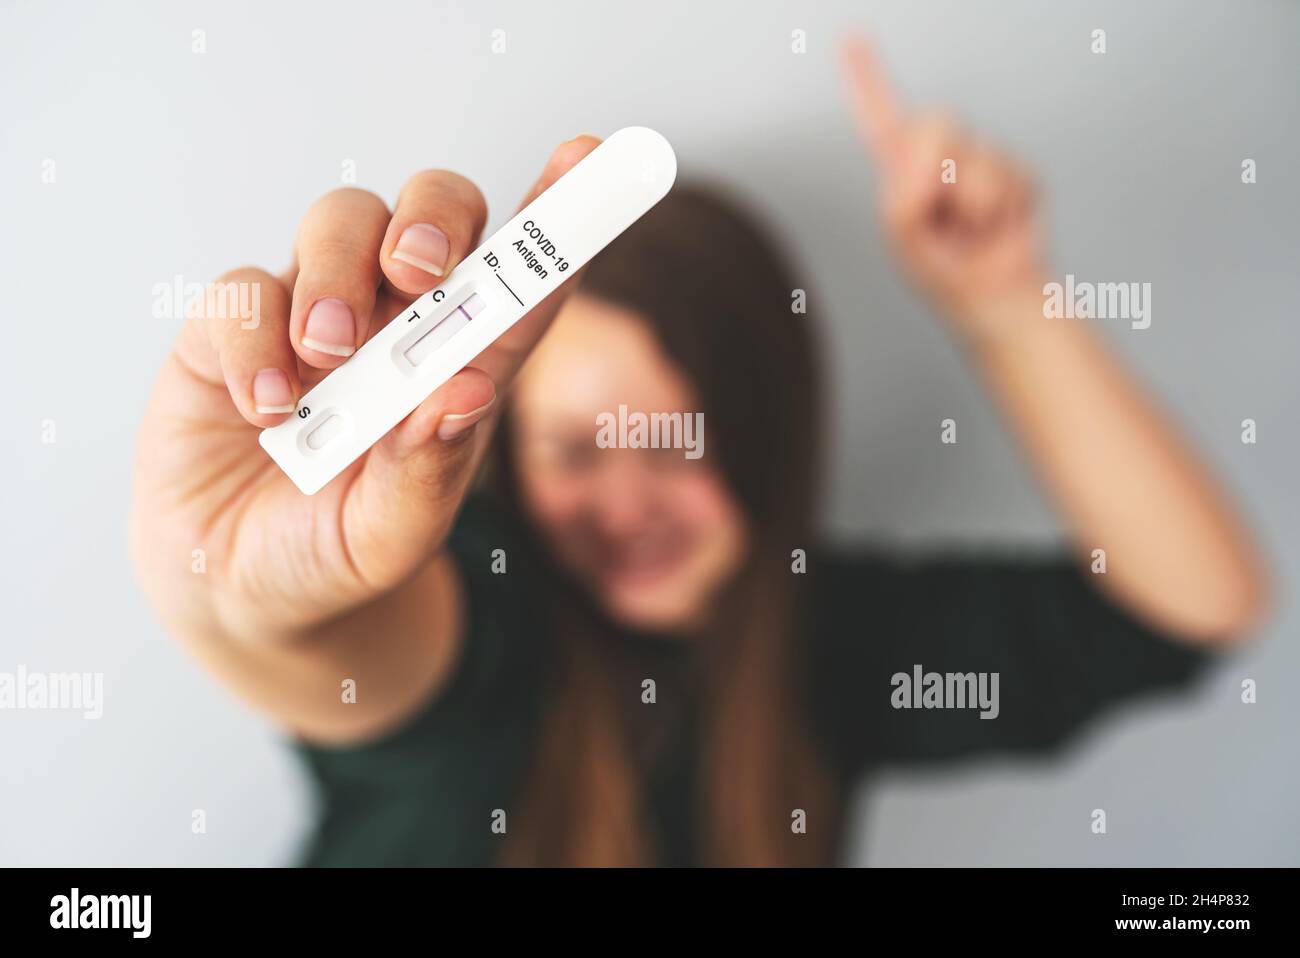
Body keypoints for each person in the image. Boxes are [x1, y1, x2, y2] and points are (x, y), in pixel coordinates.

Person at [130, 38, 1270, 866]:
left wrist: (1005, 303)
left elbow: (1189, 607)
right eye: (578, 448)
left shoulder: (828, 650)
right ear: (510, 457)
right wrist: (231, 588)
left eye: (677, 441)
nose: (629, 497)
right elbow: (319, 631)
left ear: (768, 438)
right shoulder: (478, 618)